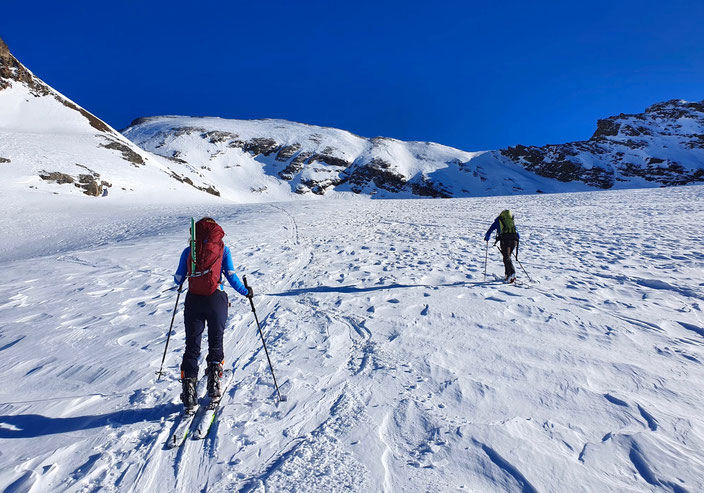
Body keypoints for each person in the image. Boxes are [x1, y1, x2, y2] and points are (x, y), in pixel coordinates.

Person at [173, 217, 251, 413]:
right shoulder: (223, 249)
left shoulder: (189, 251)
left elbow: (177, 279)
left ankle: (189, 392)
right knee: (216, 341)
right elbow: (231, 275)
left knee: (192, 346)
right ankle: (214, 384)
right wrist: (246, 292)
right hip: (216, 299)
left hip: (193, 300)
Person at [484, 210, 520, 283]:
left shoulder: (498, 221)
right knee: (507, 257)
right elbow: (518, 234)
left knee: (506, 258)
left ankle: (512, 273)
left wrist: (487, 238)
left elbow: (489, 231)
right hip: (514, 241)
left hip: (505, 241)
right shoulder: (511, 222)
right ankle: (508, 275)